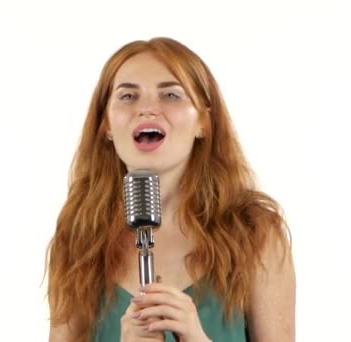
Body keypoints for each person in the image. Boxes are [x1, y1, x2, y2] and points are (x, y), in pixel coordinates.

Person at [44, 37, 295, 342]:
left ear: (204, 121)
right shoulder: (79, 236)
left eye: (171, 95)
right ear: (106, 126)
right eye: (127, 96)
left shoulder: (256, 233)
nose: (147, 109)